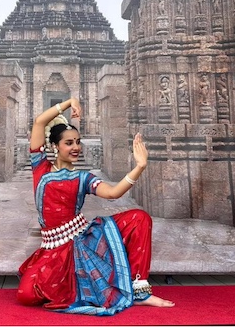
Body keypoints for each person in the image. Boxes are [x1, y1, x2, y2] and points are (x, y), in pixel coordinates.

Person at [17, 98, 174, 315]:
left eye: (78, 142)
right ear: (55, 146)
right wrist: (69, 102)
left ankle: (140, 292)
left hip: (80, 242)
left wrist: (140, 166)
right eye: (69, 143)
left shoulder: (82, 178)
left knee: (140, 217)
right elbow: (39, 122)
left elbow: (113, 193)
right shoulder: (40, 167)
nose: (76, 147)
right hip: (53, 249)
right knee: (27, 295)